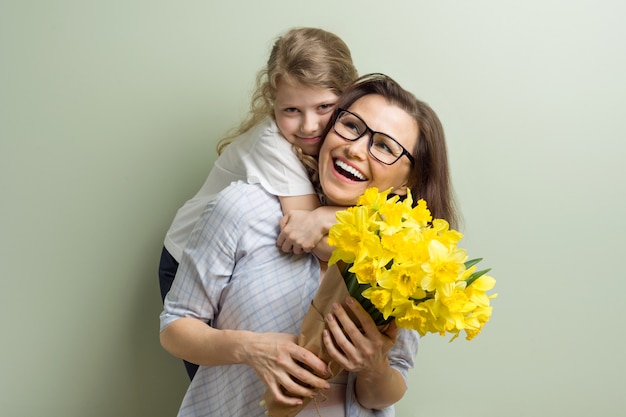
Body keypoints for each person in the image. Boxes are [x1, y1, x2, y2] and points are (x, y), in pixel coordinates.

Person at [160, 73, 458, 416]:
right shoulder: (243, 208)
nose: (356, 148)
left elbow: (388, 388)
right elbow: (175, 327)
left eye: (384, 147)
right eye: (351, 126)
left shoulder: (407, 259)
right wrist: (251, 349)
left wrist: (373, 365)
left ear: (408, 183)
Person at [158, 27, 358, 379]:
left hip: (237, 254)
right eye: (292, 110)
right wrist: (327, 214)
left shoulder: (346, 140)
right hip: (187, 259)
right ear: (273, 104)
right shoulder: (272, 143)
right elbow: (315, 240)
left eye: (325, 107)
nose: (309, 125)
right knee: (218, 378)